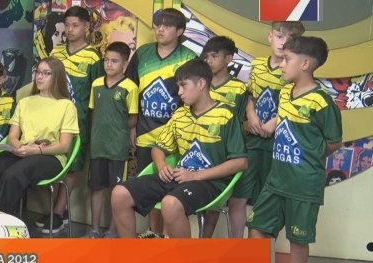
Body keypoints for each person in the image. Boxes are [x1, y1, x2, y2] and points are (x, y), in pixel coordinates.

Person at [247, 36, 342, 263]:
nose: (281, 65)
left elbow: (334, 141)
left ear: (305, 64)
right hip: (276, 179)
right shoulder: (285, 92)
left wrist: (307, 156)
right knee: (257, 227)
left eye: (287, 59)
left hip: (303, 184)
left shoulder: (322, 102)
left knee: (298, 238)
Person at [111, 58, 247, 242]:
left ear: (201, 84)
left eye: (184, 85)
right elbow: (158, 148)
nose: (179, 92)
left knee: (170, 204)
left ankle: (182, 259)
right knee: (119, 194)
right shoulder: (180, 114)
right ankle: (131, 254)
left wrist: (195, 175)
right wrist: (161, 166)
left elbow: (240, 162)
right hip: (179, 176)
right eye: (178, 86)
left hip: (210, 182)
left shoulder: (226, 114)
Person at [0, 57, 79, 232]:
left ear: (57, 76)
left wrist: (36, 150)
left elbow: (64, 146)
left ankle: (2, 228)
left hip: (50, 157)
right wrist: (19, 147)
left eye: (46, 73)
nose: (40, 77)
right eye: (38, 72)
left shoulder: (66, 106)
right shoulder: (25, 102)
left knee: (12, 175)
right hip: (22, 151)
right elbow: (12, 136)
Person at [126, 8, 198, 237]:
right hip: (145, 134)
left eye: (167, 26)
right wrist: (132, 126)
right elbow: (130, 89)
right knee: (148, 187)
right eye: (158, 25)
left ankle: (168, 236)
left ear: (180, 31)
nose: (160, 29)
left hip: (175, 138)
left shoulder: (189, 58)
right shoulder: (143, 53)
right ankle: (152, 232)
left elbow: (194, 97)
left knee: (171, 189)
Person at [47, 6, 101, 229]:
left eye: (75, 25)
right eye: (67, 25)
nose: (70, 30)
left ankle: (58, 213)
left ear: (86, 27)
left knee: (72, 166)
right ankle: (55, 210)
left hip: (79, 122)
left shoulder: (93, 57)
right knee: (53, 164)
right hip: (52, 121)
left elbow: (97, 93)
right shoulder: (56, 53)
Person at [245, 21, 305, 215]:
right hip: (253, 139)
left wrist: (275, 121)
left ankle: (263, 235)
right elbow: (250, 95)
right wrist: (251, 114)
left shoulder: (294, 70)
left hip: (277, 143)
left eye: (291, 38)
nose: (283, 42)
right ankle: (240, 235)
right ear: (270, 36)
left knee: (268, 197)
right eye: (279, 36)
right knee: (241, 195)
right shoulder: (257, 65)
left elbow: (296, 102)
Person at [83, 41, 139, 238]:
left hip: (117, 148)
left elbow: (133, 117)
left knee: (117, 191)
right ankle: (94, 229)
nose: (109, 64)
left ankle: (112, 231)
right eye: (106, 60)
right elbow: (93, 112)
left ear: (124, 64)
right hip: (98, 146)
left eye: (114, 61)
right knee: (96, 188)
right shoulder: (96, 84)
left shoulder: (130, 87)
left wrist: (120, 130)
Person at [199, 36, 250, 238]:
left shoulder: (239, 88)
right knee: (206, 204)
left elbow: (243, 122)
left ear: (229, 58)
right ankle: (200, 245)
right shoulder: (200, 84)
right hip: (203, 150)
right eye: (207, 56)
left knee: (231, 201)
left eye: (215, 56)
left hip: (229, 153)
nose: (209, 60)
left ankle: (231, 248)